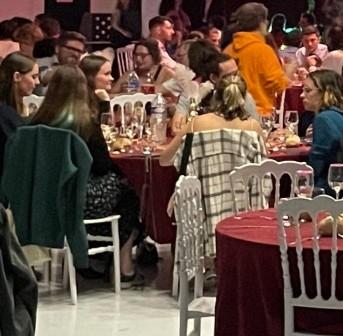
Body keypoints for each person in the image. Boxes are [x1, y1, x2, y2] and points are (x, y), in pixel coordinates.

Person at [29, 66, 141, 281]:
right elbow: (101, 165)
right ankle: (122, 266)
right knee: (131, 195)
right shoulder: (84, 122)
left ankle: (89, 256)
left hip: (45, 198)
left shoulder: (37, 122)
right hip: (81, 199)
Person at [158, 74, 263, 167]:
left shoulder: (196, 124)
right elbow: (265, 177)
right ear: (244, 99)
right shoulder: (253, 128)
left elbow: (164, 160)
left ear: (215, 96)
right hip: (242, 188)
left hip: (201, 189)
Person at [222, 2, 288, 116]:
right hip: (260, 116)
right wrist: (289, 71)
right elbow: (280, 85)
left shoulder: (227, 50)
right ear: (261, 23)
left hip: (230, 114)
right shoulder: (264, 51)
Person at [301, 69, 343, 193]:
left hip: (328, 190)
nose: (302, 95)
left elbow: (317, 164)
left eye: (308, 91)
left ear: (325, 93)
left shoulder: (323, 119)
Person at [0, 54, 38, 178]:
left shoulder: (8, 111)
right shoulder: (4, 113)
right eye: (34, 77)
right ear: (17, 76)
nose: (37, 82)